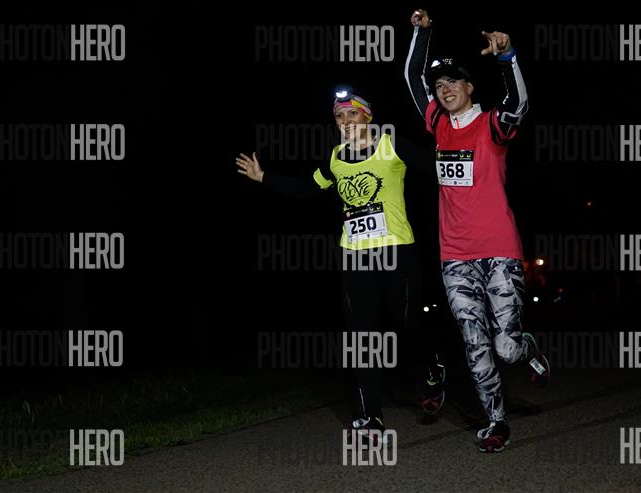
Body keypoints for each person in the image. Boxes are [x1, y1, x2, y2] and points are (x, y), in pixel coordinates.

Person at [235, 86, 444, 443]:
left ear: (368, 117)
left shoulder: (392, 145)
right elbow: (308, 188)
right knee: (363, 336)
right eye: (339, 116)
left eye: (352, 113)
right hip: (356, 256)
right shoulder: (334, 158)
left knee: (407, 324)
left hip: (397, 251)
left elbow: (436, 165)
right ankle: (370, 416)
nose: (345, 121)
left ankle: (431, 368)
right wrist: (264, 177)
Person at [405, 9, 550, 453]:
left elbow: (518, 104)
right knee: (474, 342)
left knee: (505, 348)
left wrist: (508, 57)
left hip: (499, 251)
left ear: (470, 88)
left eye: (454, 82)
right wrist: (423, 33)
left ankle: (528, 348)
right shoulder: (437, 124)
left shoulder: (492, 125)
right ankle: (495, 421)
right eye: (440, 85)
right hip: (455, 256)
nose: (444, 89)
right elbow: (412, 77)